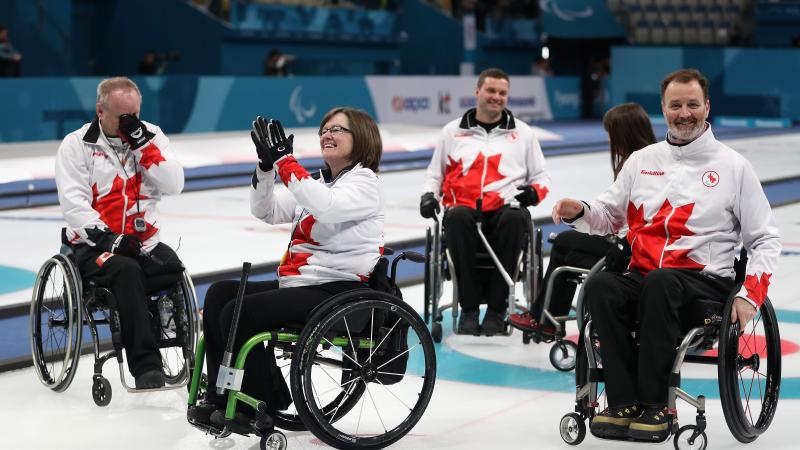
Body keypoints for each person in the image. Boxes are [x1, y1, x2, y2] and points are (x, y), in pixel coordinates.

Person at [552, 69, 781, 442]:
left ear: (707, 107)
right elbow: (609, 216)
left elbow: (765, 239)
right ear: (664, 108)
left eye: (693, 104)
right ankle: (623, 403)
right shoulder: (643, 160)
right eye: (676, 105)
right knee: (601, 286)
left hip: (704, 285)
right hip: (646, 279)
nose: (684, 113)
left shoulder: (733, 166)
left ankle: (655, 404)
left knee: (660, 282)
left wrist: (749, 295)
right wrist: (579, 209)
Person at [188, 107, 385, 432]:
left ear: (361, 138)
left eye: (337, 129)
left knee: (242, 312)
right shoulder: (320, 183)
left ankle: (253, 403)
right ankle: (221, 395)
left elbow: (328, 206)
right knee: (219, 293)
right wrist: (266, 168)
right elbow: (265, 210)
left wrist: (285, 162)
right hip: (302, 285)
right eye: (324, 129)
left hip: (336, 290)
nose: (327, 134)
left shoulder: (365, 182)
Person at [54, 77, 185, 389]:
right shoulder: (76, 144)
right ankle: (146, 366)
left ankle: (175, 343)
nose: (130, 123)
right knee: (125, 269)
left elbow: (175, 184)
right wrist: (110, 239)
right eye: (122, 117)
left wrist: (144, 147)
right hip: (93, 246)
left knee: (173, 266)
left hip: (144, 242)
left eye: (135, 115)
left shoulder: (151, 136)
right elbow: (74, 206)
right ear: (100, 111)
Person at [420, 67, 551, 336]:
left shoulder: (523, 133)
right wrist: (428, 196)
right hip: (464, 209)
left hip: (506, 208)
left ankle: (496, 310)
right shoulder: (452, 131)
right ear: (477, 91)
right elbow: (434, 174)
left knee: (516, 218)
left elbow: (541, 177)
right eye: (491, 90)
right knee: (456, 217)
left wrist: (534, 193)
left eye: (502, 93)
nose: (496, 97)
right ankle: (468, 310)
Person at [508, 103, 656, 335]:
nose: (609, 141)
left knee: (564, 243)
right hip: (631, 244)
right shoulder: (647, 160)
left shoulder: (638, 164)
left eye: (611, 135)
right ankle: (545, 316)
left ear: (623, 134)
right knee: (567, 245)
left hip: (631, 251)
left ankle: (544, 318)